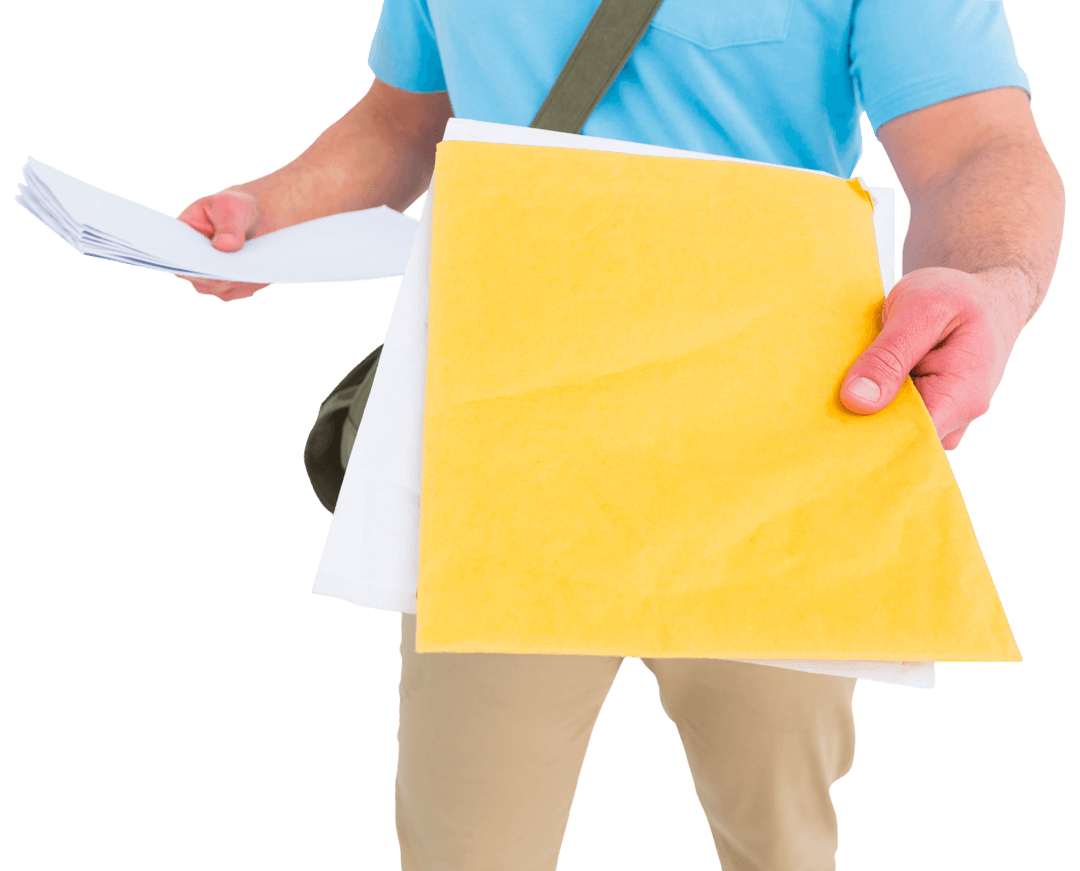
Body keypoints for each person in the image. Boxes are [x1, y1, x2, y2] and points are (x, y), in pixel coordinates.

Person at [175, 2, 1065, 869]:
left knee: (781, 840)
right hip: (507, 442)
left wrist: (989, 282)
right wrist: (266, 205)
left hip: (778, 453)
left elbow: (976, 143)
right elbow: (401, 123)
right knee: (467, 847)